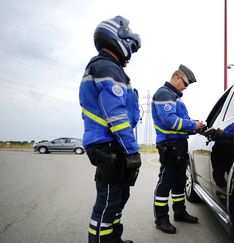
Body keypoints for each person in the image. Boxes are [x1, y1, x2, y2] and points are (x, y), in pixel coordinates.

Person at [79, 16, 142, 243]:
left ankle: (114, 239)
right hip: (108, 144)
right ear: (118, 38)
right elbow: (116, 116)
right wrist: (132, 150)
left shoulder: (109, 67)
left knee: (118, 197)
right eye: (131, 46)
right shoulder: (107, 67)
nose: (131, 52)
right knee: (107, 204)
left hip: (112, 143)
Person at [151, 64, 204, 234]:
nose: (186, 88)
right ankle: (161, 219)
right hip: (169, 145)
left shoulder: (174, 96)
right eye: (186, 84)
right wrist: (192, 125)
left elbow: (183, 120)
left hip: (178, 145)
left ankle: (179, 212)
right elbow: (170, 121)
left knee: (180, 181)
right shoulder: (164, 93)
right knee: (165, 182)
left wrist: (196, 124)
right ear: (177, 77)